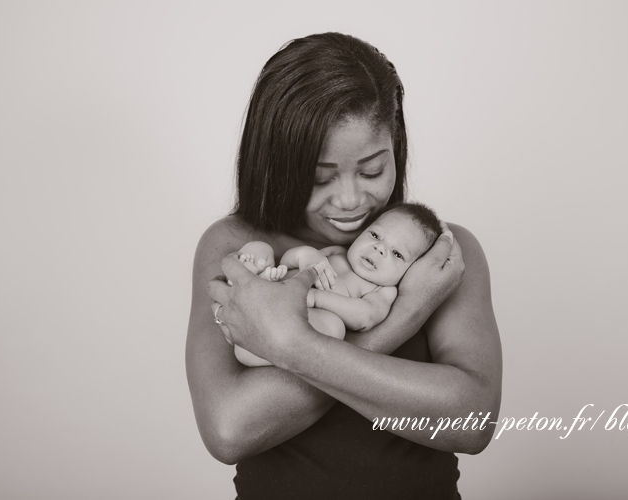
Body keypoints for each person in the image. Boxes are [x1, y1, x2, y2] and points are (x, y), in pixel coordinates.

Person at [186, 32, 502, 500]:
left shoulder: (439, 254)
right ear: (276, 162)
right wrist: (405, 315)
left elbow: (472, 422)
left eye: (374, 170)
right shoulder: (236, 245)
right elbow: (230, 429)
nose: (352, 200)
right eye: (319, 177)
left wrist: (290, 343)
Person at [232, 202, 444, 367]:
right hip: (274, 286)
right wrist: (305, 256)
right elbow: (288, 261)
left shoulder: (382, 290)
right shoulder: (337, 252)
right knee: (260, 249)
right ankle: (249, 275)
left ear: (412, 271)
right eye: (375, 235)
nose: (379, 248)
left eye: (397, 254)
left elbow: (365, 316)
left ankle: (258, 346)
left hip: (301, 317)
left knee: (334, 328)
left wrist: (317, 298)